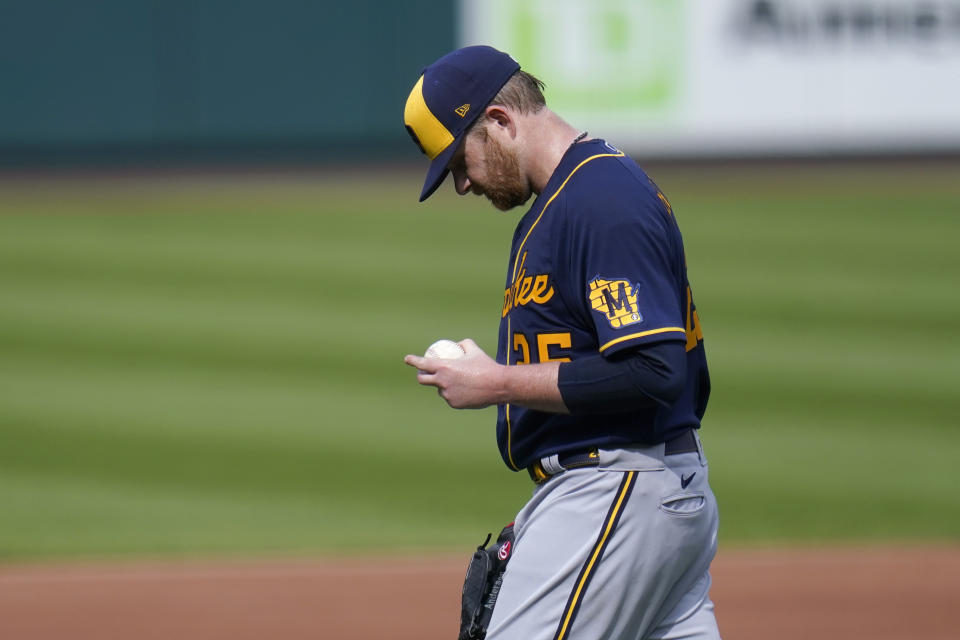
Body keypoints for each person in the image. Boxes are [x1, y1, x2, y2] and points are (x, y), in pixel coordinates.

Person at [402, 45, 721, 640]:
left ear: (498, 120)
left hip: (617, 488)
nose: (463, 184)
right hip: (636, 490)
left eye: (459, 162)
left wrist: (496, 382)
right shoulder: (563, 201)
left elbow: (654, 371)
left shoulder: (599, 199)